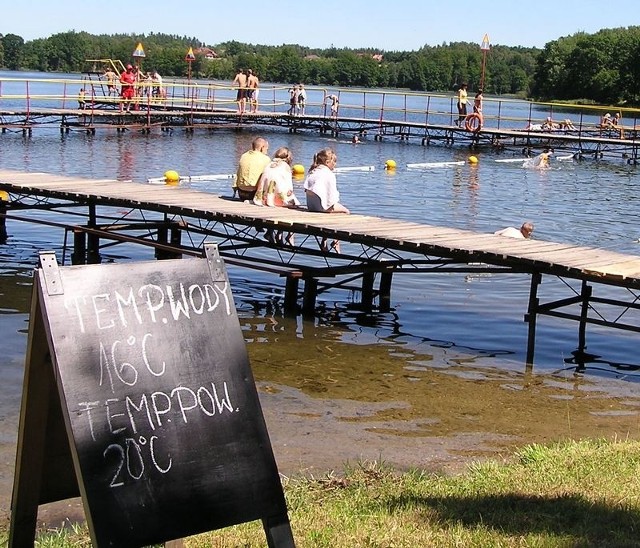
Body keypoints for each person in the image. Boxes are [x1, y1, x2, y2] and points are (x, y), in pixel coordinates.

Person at [304, 148, 350, 251]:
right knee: (345, 212)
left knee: (332, 213)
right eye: (334, 162)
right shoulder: (328, 174)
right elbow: (332, 198)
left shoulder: (313, 171)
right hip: (322, 206)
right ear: (327, 162)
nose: (335, 165)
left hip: (311, 205)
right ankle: (336, 241)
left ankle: (324, 241)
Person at [253, 147, 300, 244]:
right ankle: (287, 234)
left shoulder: (270, 164)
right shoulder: (286, 167)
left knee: (279, 211)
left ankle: (271, 232)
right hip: (278, 196)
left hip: (265, 196)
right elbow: (288, 187)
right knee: (294, 207)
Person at [234, 137, 271, 201]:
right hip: (253, 193)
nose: (267, 151)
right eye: (266, 149)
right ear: (262, 147)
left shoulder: (244, 156)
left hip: (241, 193)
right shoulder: (266, 159)